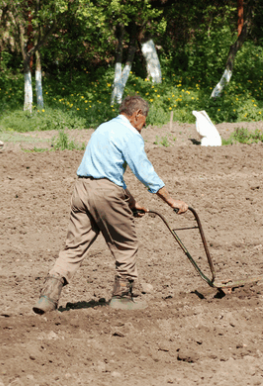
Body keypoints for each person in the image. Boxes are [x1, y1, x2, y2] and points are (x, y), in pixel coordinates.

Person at [33, 95, 188, 314]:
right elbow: (143, 171)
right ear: (137, 115)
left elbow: (107, 171)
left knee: (74, 247)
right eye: (145, 120)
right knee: (126, 242)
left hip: (81, 190)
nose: (145, 125)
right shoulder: (130, 134)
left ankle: (48, 296)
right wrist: (170, 199)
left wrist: (131, 202)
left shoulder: (103, 129)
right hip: (105, 193)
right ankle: (122, 296)